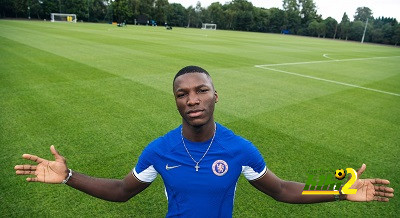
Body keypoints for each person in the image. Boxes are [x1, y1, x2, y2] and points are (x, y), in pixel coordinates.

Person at [14, 66, 394, 217]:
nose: (192, 99)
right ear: (176, 101)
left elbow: (281, 189)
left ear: (215, 96)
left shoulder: (240, 149)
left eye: (201, 91)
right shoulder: (159, 149)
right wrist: (68, 176)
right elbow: (121, 190)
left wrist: (340, 190)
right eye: (182, 94)